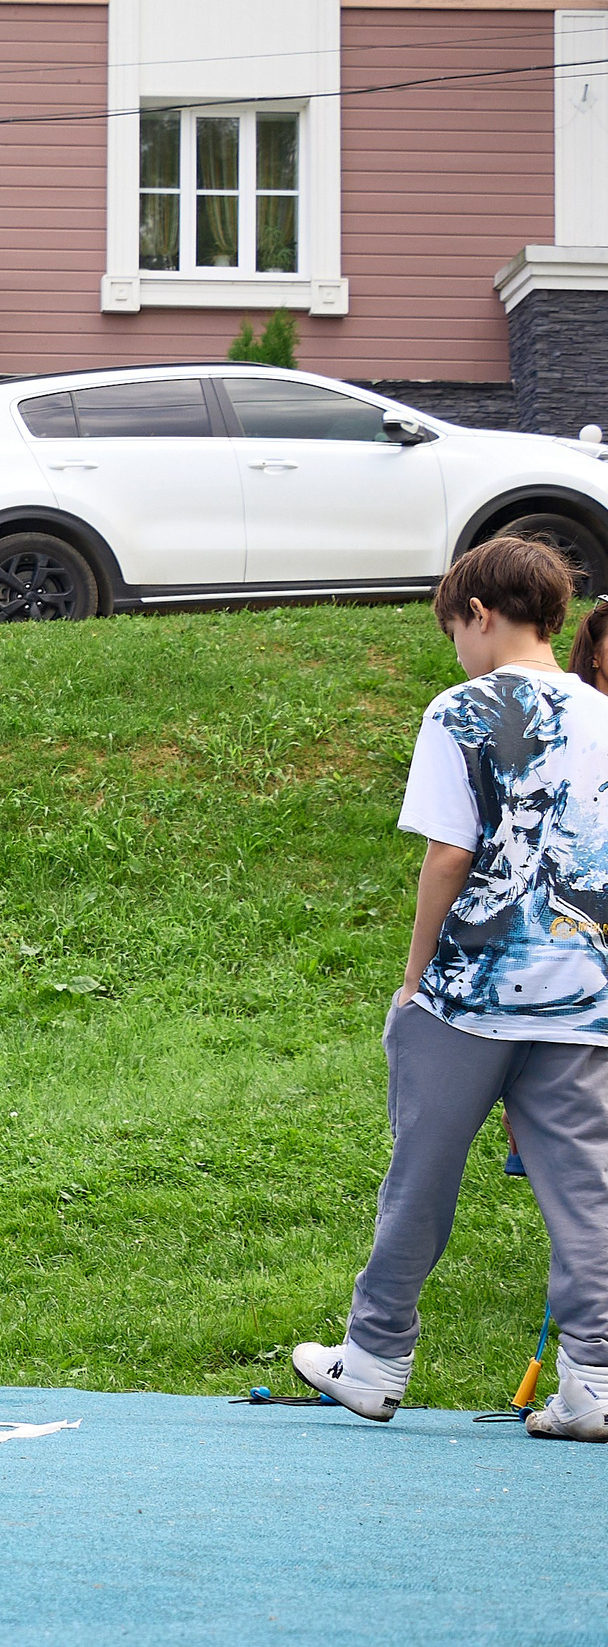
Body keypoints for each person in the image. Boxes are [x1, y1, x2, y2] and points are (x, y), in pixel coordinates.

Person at [290, 538, 608, 1440]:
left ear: (479, 614)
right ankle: (595, 1378)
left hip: (468, 987)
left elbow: (449, 854)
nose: (456, 651)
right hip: (585, 989)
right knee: (587, 1189)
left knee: (420, 1174)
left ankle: (378, 1356)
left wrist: (413, 978)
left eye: (454, 631)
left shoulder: (462, 709)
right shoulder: (603, 714)